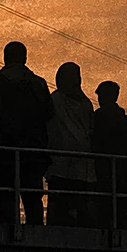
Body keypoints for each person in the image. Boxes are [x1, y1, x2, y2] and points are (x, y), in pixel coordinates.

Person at [0, 41, 53, 225]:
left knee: (6, 201)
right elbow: (48, 114)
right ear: (25, 57)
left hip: (4, 154)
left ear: (5, 58)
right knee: (33, 200)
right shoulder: (39, 84)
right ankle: (36, 236)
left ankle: (6, 237)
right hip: (34, 153)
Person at [45, 63, 96, 227]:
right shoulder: (85, 104)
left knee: (60, 206)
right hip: (82, 164)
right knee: (79, 205)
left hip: (59, 163)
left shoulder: (54, 100)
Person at [91, 81, 127, 228]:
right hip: (120, 167)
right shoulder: (122, 117)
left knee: (103, 202)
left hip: (102, 166)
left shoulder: (99, 116)